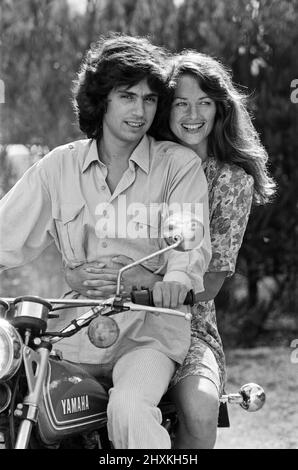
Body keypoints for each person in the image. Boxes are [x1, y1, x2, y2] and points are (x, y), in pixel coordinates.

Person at [0, 35, 212, 449]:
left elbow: (190, 244)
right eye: (127, 96)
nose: (140, 111)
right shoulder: (58, 167)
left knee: (130, 408)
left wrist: (174, 280)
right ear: (102, 99)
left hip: (148, 332)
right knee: (18, 406)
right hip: (71, 334)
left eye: (150, 100)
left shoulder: (177, 166)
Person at [65, 49, 276, 449]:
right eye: (180, 102)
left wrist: (139, 279)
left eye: (205, 103)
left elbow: (209, 284)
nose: (192, 114)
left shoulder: (230, 181)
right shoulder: (137, 155)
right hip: (106, 311)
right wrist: (78, 273)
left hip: (187, 321)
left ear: (220, 110)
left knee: (200, 406)